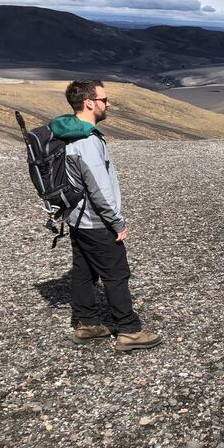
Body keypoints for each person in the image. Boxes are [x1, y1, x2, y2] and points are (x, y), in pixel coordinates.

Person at [48, 79, 162, 352]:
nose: (108, 104)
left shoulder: (69, 134)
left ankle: (87, 325)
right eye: (104, 99)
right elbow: (98, 188)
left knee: (84, 271)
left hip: (77, 218)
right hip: (96, 221)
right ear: (89, 103)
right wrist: (117, 222)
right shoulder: (86, 140)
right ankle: (129, 331)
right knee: (116, 274)